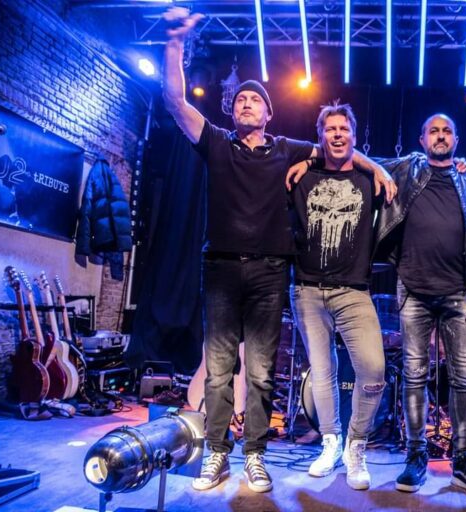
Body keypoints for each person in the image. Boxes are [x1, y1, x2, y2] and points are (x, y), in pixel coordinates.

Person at [161, 8, 394, 493]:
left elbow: (338, 148)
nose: (247, 103)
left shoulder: (288, 148)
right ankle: (217, 453)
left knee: (262, 372)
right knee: (220, 371)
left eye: (256, 100)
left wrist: (377, 168)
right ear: (232, 111)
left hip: (270, 273)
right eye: (240, 99)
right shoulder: (217, 143)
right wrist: (176, 43)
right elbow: (175, 100)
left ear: (269, 114)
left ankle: (255, 455)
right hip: (221, 270)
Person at [375, 114, 466, 500]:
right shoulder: (408, 170)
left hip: (458, 292)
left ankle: (463, 462)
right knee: (414, 375)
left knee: (464, 379)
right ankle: (416, 456)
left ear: (457, 139)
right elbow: (364, 161)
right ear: (422, 139)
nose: (440, 136)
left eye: (447, 131)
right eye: (433, 131)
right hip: (413, 290)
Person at [289, 101, 385, 490]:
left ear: (354, 135)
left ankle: (355, 446)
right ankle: (330, 443)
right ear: (320, 136)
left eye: (344, 128)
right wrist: (309, 160)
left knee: (374, 372)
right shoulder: (303, 177)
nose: (338, 134)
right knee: (322, 372)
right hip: (307, 290)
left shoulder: (370, 180)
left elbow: (413, 169)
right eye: (330, 129)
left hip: (354, 290)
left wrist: (376, 167)